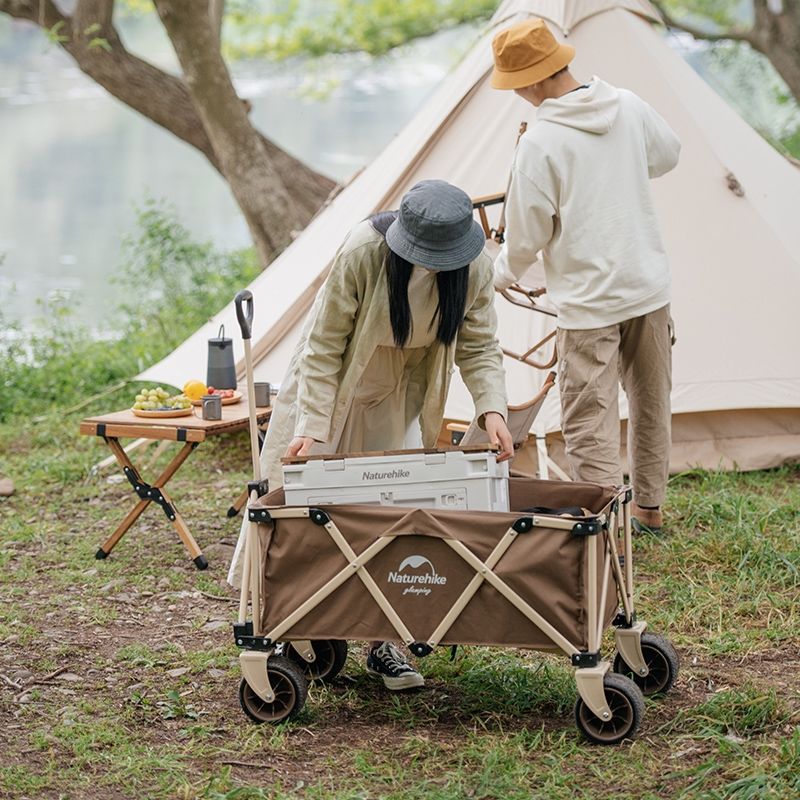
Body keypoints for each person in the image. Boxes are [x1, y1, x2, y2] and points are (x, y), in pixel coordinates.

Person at [228, 179, 513, 689]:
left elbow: (480, 345)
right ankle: (290, 624)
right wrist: (314, 428)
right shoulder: (364, 251)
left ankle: (386, 640)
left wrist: (492, 410)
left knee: (389, 509)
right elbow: (323, 346)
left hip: (402, 386)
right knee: (302, 503)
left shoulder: (474, 267)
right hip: (333, 381)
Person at [490, 18, 681, 534]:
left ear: (531, 81)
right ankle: (649, 511)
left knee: (588, 421)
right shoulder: (627, 104)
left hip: (589, 306)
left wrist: (495, 273)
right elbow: (669, 154)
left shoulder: (540, 143)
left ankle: (606, 532)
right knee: (650, 403)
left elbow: (525, 240)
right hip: (647, 288)